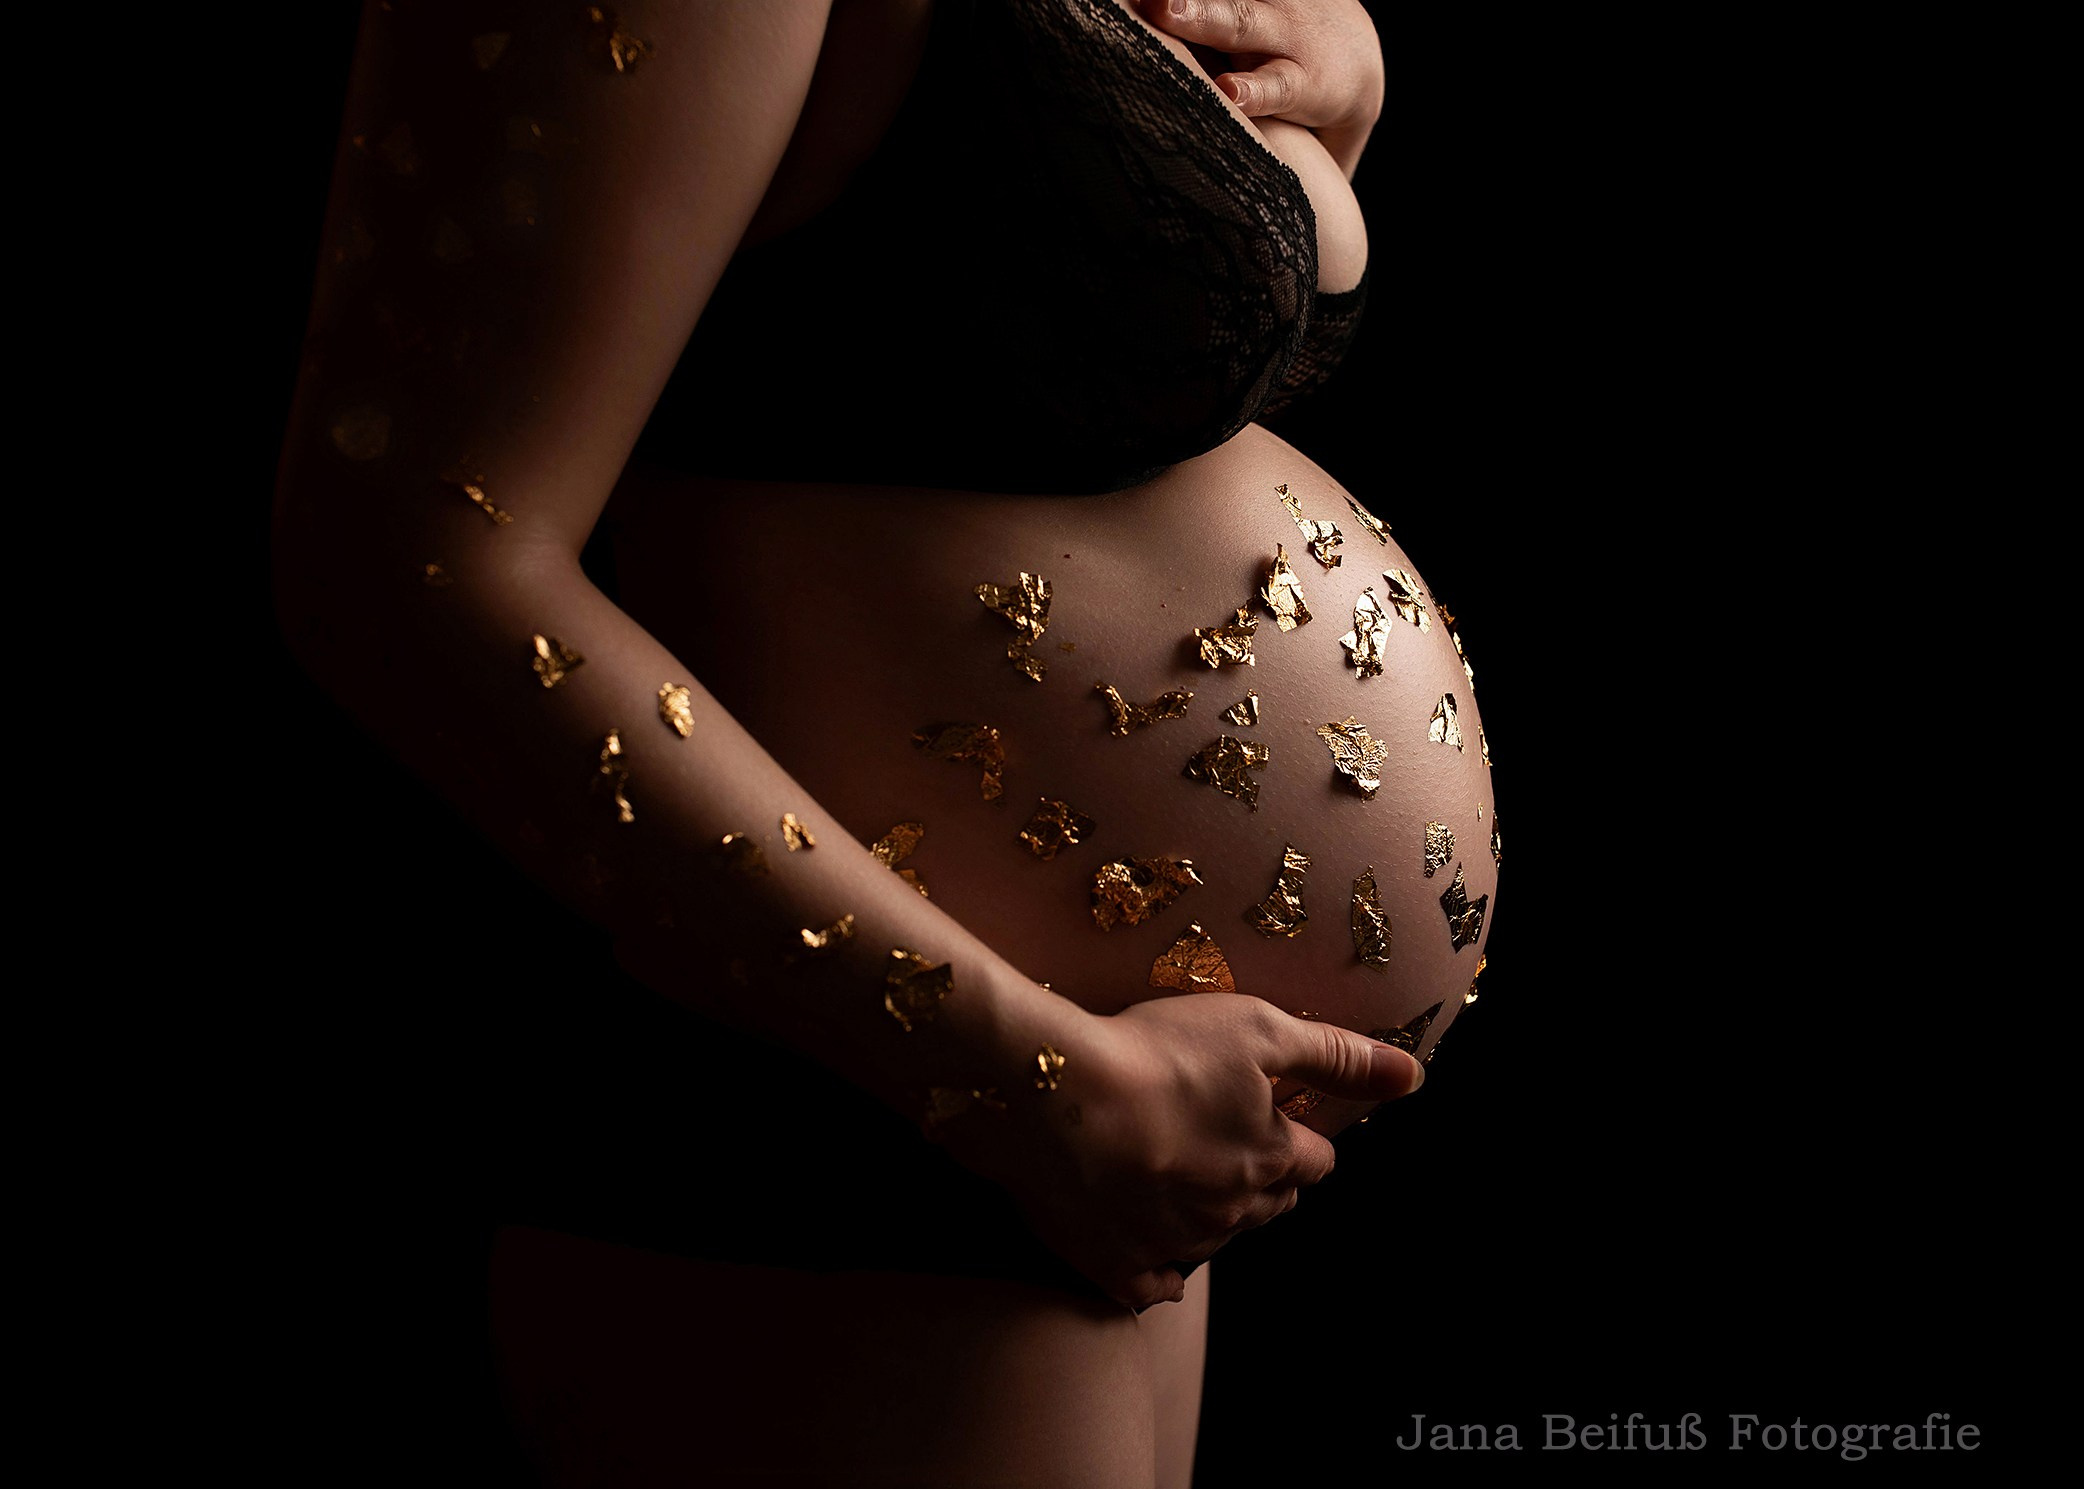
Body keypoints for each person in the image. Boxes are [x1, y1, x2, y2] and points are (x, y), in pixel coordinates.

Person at [272, 2, 1496, 1483]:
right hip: (840, 1083)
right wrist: (1027, 1083)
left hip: (1090, 1114)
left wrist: (1328, 89)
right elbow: (408, 557)